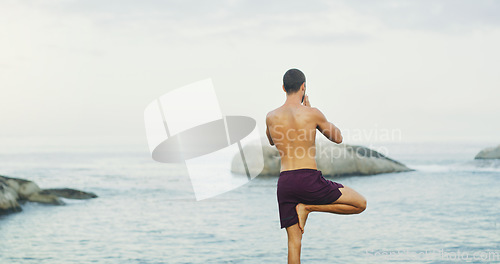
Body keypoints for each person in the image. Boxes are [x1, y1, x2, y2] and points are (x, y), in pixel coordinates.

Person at [265, 68, 367, 263]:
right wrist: (315, 116)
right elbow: (337, 138)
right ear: (303, 87)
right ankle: (309, 207)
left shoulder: (270, 116)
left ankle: (306, 207)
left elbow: (271, 140)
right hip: (308, 179)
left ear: (283, 88)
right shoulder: (312, 113)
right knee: (360, 203)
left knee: (294, 244)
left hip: (285, 183)